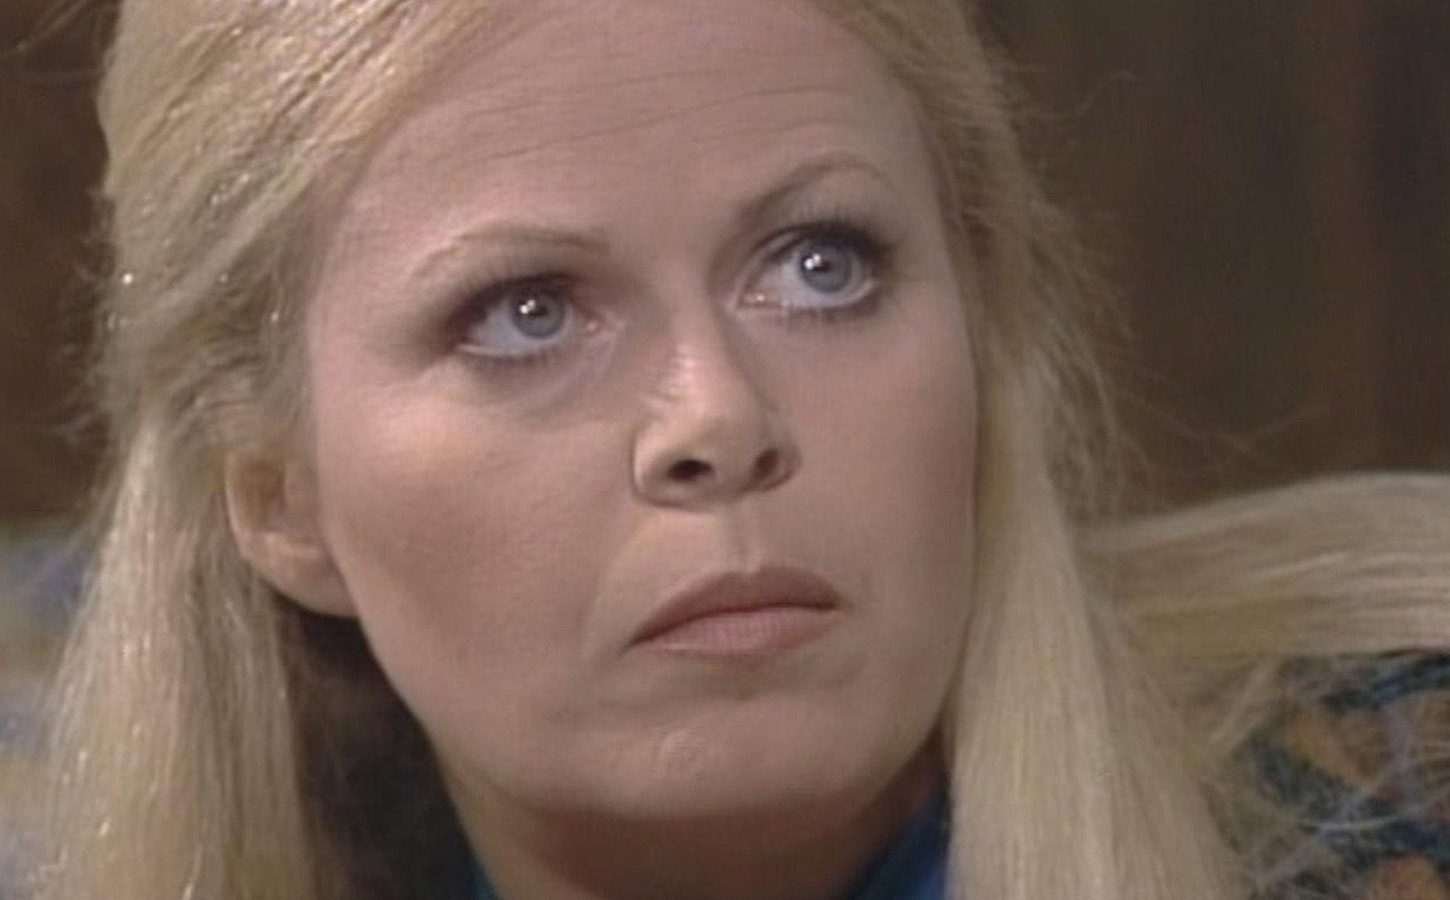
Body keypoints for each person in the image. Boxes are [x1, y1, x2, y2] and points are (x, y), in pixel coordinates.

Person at [24, 0, 1450, 898]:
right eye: (524, 314)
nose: (717, 417)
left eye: (822, 265)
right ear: (277, 499)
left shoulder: (1394, 782)